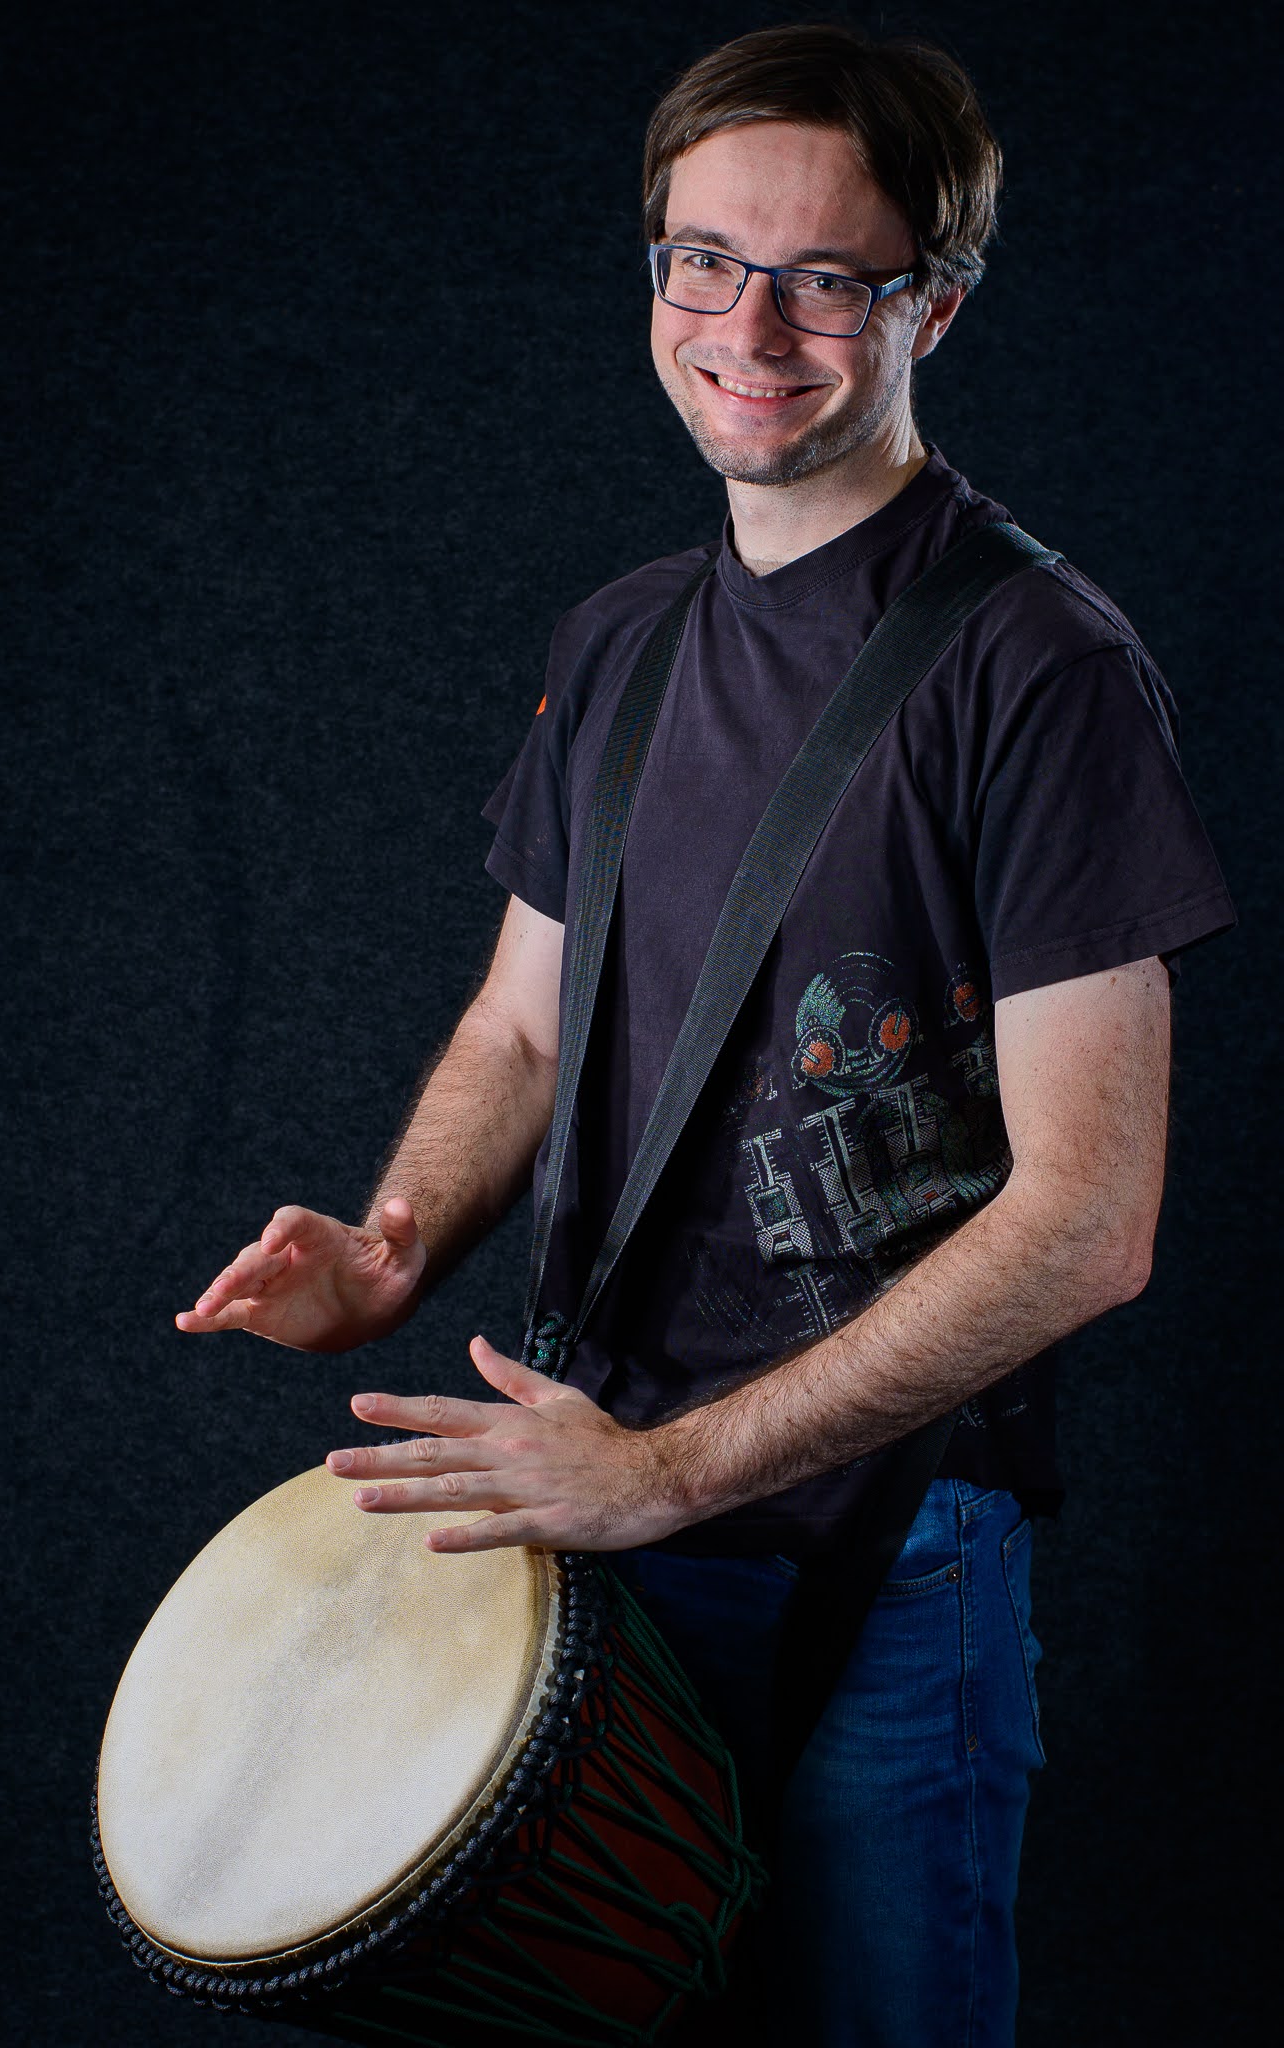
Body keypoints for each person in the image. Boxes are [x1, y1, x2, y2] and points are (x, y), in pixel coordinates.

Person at [177, 22, 1234, 2045]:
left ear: (931, 296)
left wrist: (671, 1470)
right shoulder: (620, 636)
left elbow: (1090, 1215)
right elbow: (518, 1015)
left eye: (824, 275)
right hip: (591, 1500)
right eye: (701, 258)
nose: (748, 323)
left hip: (876, 1539)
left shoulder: (1038, 667)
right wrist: (394, 1243)